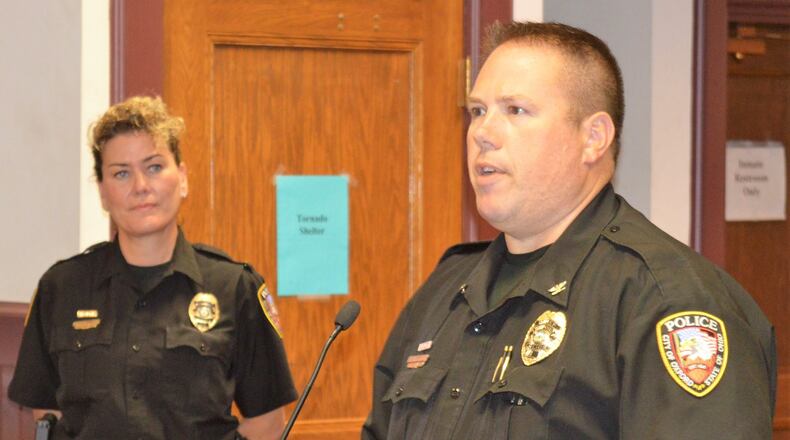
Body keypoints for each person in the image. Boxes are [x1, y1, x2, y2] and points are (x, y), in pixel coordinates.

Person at [363, 21, 776, 439]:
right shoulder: (447, 290)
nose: (482, 134)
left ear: (593, 138)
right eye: (477, 111)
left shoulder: (663, 301)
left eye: (515, 110)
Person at [8, 96, 297, 439]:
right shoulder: (62, 287)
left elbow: (267, 424)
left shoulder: (235, 288)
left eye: (155, 167)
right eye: (121, 173)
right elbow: (48, 416)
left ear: (184, 177)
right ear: (103, 192)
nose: (141, 187)